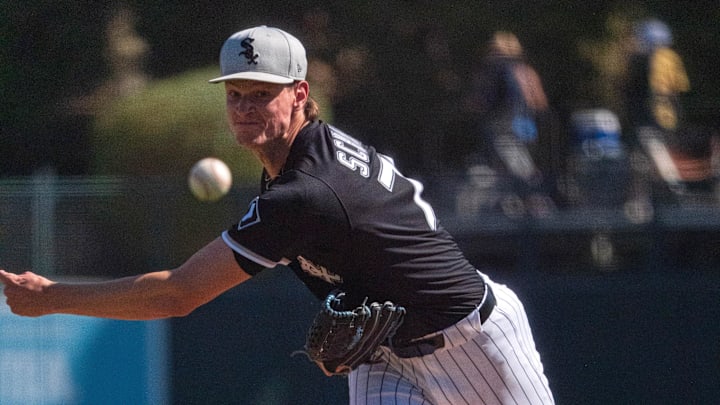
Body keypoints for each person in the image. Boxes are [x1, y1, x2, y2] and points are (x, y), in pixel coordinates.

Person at [0, 25, 554, 404]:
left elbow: (179, 294)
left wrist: (53, 298)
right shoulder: (305, 155)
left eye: (261, 93)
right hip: (384, 352)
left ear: (298, 94)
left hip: (470, 341)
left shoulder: (303, 193)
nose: (244, 107)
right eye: (235, 93)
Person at [463, 31, 554, 217]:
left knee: (515, 171)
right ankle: (530, 210)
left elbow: (481, 101)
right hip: (529, 128)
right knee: (522, 168)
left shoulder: (495, 69)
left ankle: (531, 209)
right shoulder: (526, 70)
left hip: (503, 128)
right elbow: (540, 102)